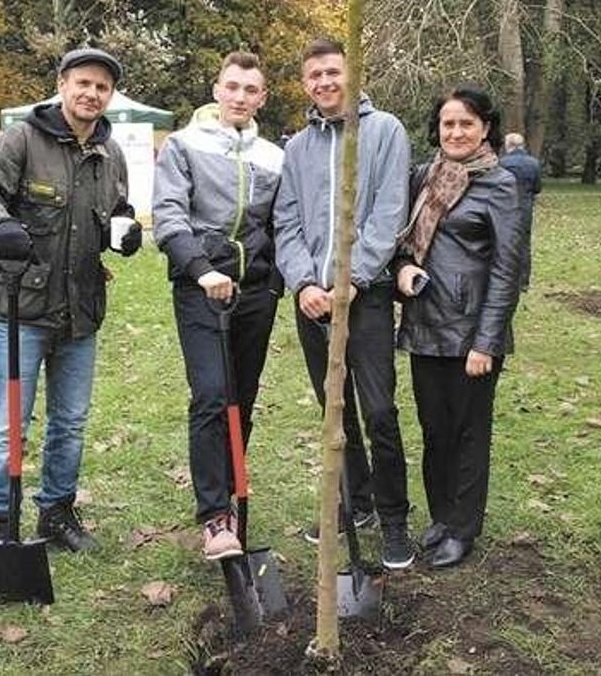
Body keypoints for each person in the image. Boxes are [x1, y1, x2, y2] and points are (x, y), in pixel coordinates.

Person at [0, 47, 143, 552]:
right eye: (83, 83)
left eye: (102, 88)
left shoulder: (111, 156)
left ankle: (56, 512)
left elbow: (117, 211)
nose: (91, 94)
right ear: (62, 85)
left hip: (81, 310)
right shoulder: (22, 140)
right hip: (22, 309)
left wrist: (124, 232)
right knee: (9, 421)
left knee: (71, 421)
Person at [273, 38, 414, 570]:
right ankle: (355, 503)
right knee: (336, 410)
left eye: (333, 72)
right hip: (312, 301)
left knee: (378, 409)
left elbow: (389, 211)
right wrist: (304, 283)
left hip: (367, 297)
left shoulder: (385, 131)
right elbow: (286, 221)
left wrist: (353, 277)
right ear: (305, 83)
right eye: (314, 75)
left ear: (351, 74)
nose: (325, 83)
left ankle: (395, 514)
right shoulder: (298, 148)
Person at [152, 51, 284, 560]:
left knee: (241, 399)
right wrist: (202, 270)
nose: (240, 98)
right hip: (201, 287)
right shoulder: (184, 146)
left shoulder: (274, 156)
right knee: (211, 394)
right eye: (232, 87)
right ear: (217, 89)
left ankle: (232, 491)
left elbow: (281, 222)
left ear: (262, 98)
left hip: (255, 292)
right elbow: (168, 216)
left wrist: (274, 282)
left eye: (251, 91)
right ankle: (214, 515)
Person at [393, 85, 523, 569]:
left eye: (466, 123)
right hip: (426, 322)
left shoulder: (501, 184)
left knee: (469, 432)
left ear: (485, 128)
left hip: (472, 334)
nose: (456, 132)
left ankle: (463, 527)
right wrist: (402, 268)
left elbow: (509, 269)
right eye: (448, 123)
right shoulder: (426, 177)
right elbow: (403, 240)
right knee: (434, 429)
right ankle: (442, 516)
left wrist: (486, 341)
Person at [498, 132, 541, 291]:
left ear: (508, 146)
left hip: (505, 207)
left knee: (503, 242)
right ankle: (523, 281)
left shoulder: (501, 164)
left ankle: (506, 278)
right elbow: (537, 188)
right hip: (525, 207)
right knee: (524, 244)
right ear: (522, 145)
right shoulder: (534, 163)